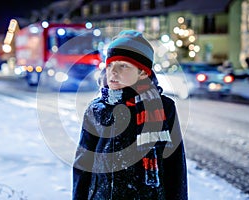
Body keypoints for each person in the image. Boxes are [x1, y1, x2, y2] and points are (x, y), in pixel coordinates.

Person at [72, 30, 188, 200]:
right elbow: (83, 164)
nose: (113, 72)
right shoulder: (97, 109)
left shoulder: (164, 108)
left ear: (143, 72)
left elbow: (175, 166)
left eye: (123, 65)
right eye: (110, 65)